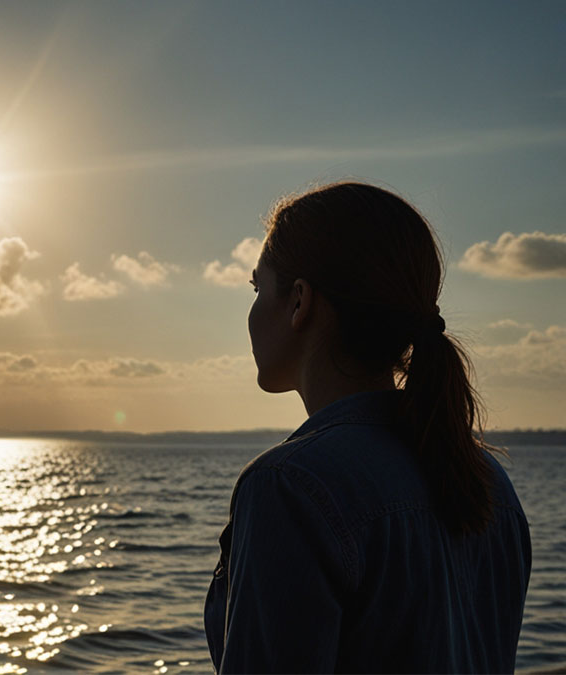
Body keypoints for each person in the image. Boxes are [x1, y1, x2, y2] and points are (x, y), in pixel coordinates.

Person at [204, 182, 531, 673]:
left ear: (299, 302)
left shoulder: (289, 488)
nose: (250, 312)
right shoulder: (487, 482)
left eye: (257, 288)